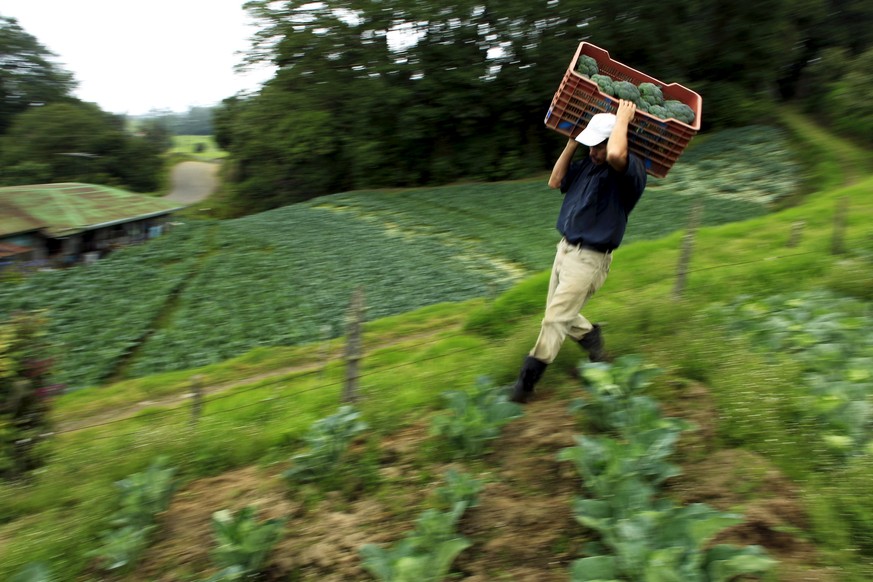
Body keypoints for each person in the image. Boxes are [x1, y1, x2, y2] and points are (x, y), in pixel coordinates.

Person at [510, 99, 647, 404]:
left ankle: (526, 383)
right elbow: (555, 180)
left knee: (554, 320)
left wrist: (623, 118)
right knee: (557, 315)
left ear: (613, 140)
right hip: (565, 250)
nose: (595, 153)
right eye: (591, 146)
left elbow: (615, 153)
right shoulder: (587, 165)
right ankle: (592, 339)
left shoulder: (629, 172)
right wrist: (574, 142)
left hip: (590, 259)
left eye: (599, 146)